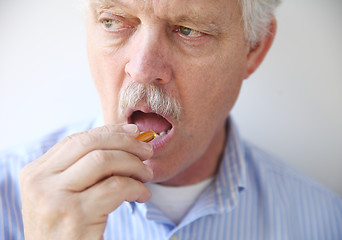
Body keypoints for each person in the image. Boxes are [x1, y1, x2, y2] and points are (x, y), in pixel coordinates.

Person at [1, 0, 341, 239]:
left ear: (253, 49)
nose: (143, 69)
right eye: (113, 20)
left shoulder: (327, 223)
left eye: (188, 30)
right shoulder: (7, 199)